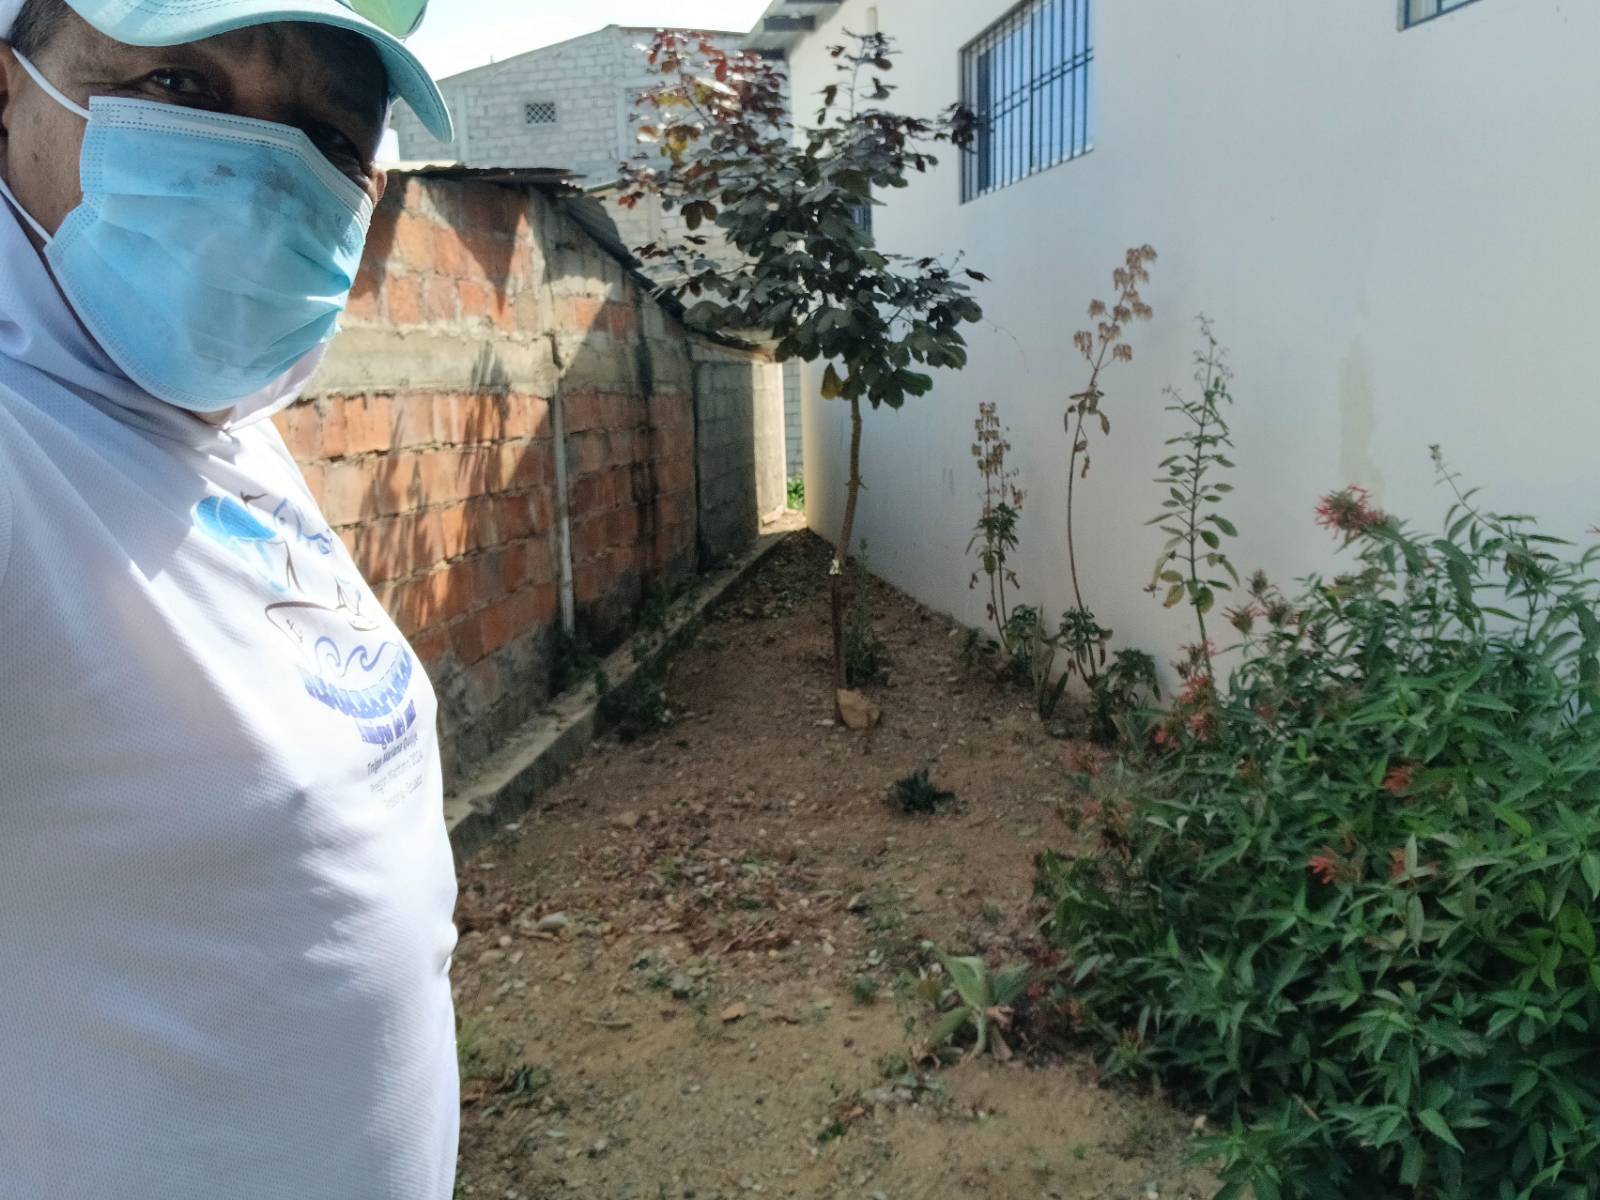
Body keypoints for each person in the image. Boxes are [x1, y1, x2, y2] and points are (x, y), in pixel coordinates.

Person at [0, 0, 461, 1196]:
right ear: (8, 91)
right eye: (181, 88)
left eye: (329, 138)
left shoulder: (216, 422)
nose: (264, 176)